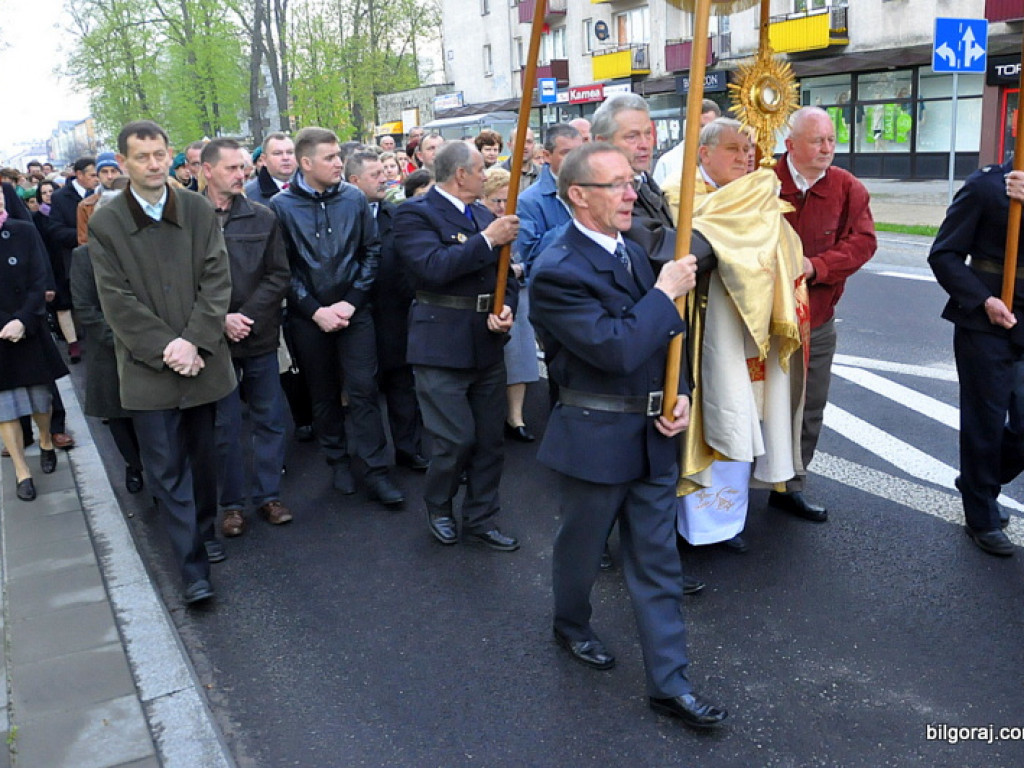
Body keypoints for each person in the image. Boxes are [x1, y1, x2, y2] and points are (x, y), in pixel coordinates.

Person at [529, 142, 726, 729]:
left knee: (657, 563)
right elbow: (615, 349)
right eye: (614, 185)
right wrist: (665, 293)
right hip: (594, 436)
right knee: (581, 548)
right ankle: (570, 624)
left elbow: (668, 340)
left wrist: (680, 392)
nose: (630, 194)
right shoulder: (557, 270)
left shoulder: (633, 253)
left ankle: (670, 684)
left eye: (630, 182)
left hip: (651, 434)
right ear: (577, 196)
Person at [88, 119, 237, 606]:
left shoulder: (196, 208)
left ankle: (205, 531)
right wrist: (167, 347)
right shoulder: (107, 223)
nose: (153, 164)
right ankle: (192, 570)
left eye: (159, 154)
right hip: (148, 371)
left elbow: (217, 278)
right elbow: (116, 300)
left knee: (204, 460)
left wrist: (194, 341)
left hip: (202, 363)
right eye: (142, 157)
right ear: (123, 162)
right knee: (166, 471)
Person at [675, 119, 806, 554]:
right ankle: (692, 524)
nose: (745, 157)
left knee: (744, 419)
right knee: (714, 416)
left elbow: (787, 253)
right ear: (704, 153)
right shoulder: (682, 197)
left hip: (755, 332)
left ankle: (727, 523)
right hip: (708, 329)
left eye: (749, 150)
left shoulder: (761, 199)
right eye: (733, 148)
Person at [393, 141, 520, 551]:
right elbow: (432, 267)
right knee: (454, 439)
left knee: (489, 440)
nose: (487, 175)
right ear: (461, 174)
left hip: (486, 340)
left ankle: (482, 516)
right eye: (481, 169)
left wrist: (506, 308)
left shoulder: (482, 215)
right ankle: (440, 505)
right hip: (440, 342)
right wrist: (486, 240)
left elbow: (507, 277)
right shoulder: (415, 213)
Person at [270, 127, 404, 507]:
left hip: (354, 312)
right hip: (308, 318)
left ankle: (376, 471)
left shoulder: (353, 198)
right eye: (329, 158)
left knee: (363, 390)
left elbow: (371, 251)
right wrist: (315, 310)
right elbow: (282, 268)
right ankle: (338, 462)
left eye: (338, 156)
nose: (338, 163)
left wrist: (352, 301)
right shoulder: (280, 207)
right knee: (324, 394)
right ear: (306, 162)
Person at [770, 106, 877, 523]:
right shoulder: (763, 182)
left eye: (831, 140)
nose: (827, 148)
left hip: (816, 319)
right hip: (759, 319)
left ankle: (790, 485)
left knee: (809, 405)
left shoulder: (846, 187)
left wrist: (817, 267)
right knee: (751, 402)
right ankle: (733, 492)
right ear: (791, 144)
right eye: (817, 140)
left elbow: (863, 242)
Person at [929, 163, 1024, 557]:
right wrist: (983, 300)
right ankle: (981, 516)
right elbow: (944, 254)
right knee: (985, 423)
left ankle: (977, 483)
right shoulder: (986, 187)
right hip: (988, 321)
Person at [202, 138, 293, 537]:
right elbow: (182, 280)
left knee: (269, 419)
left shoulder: (263, 216)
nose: (241, 174)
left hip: (259, 335)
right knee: (224, 426)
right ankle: (232, 505)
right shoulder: (190, 219)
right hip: (213, 340)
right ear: (208, 171)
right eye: (232, 168)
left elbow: (279, 274)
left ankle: (269, 496)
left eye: (243, 167)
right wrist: (220, 319)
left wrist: (247, 317)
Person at [346, 150, 427, 471]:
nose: (385, 179)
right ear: (354, 181)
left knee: (402, 386)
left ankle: (409, 449)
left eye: (385, 172)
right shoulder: (342, 217)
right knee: (364, 393)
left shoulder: (397, 214)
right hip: (355, 316)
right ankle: (372, 463)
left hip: (396, 313)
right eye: (375, 175)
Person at [70, 180, 145, 494]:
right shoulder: (83, 257)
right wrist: (121, 338)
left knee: (149, 414)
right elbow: (84, 308)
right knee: (117, 414)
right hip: (109, 347)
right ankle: (133, 465)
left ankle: (157, 470)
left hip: (145, 343)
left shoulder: (141, 250)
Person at [0, 190, 68, 501]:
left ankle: (45, 440)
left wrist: (23, 320)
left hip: (29, 326)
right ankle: (21, 472)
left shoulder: (24, 230)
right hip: (1, 334)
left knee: (41, 400)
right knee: (5, 408)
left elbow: (38, 279)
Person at [482, 167, 538, 443]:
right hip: (486, 295)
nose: (502, 207)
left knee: (519, 355)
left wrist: (520, 268)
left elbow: (535, 255)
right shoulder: (478, 225)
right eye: (496, 200)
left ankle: (516, 417)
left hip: (519, 293)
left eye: (507, 201)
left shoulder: (520, 224)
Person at [515, 123, 583, 275]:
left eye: (579, 152)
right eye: (566, 153)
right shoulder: (529, 201)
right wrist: (578, 224)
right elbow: (530, 253)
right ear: (547, 156)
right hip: (557, 281)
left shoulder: (595, 189)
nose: (575, 160)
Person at [49, 156, 97, 363]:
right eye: (92, 175)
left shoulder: (101, 194)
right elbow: (55, 230)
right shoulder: (60, 197)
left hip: (103, 258)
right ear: (79, 175)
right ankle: (77, 343)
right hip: (75, 258)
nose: (97, 179)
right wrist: (83, 235)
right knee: (79, 302)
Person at [651, 99, 721, 188]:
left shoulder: (725, 161)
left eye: (709, 127)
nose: (704, 131)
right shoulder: (667, 163)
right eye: (700, 126)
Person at [245, 132, 296, 206]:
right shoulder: (248, 195)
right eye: (277, 153)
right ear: (264, 159)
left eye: (290, 152)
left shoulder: (309, 188)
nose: (285, 158)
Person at [500, 126, 540, 191]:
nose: (525, 146)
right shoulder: (496, 174)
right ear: (509, 145)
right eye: (520, 141)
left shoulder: (544, 175)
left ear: (534, 145)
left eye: (529, 142)